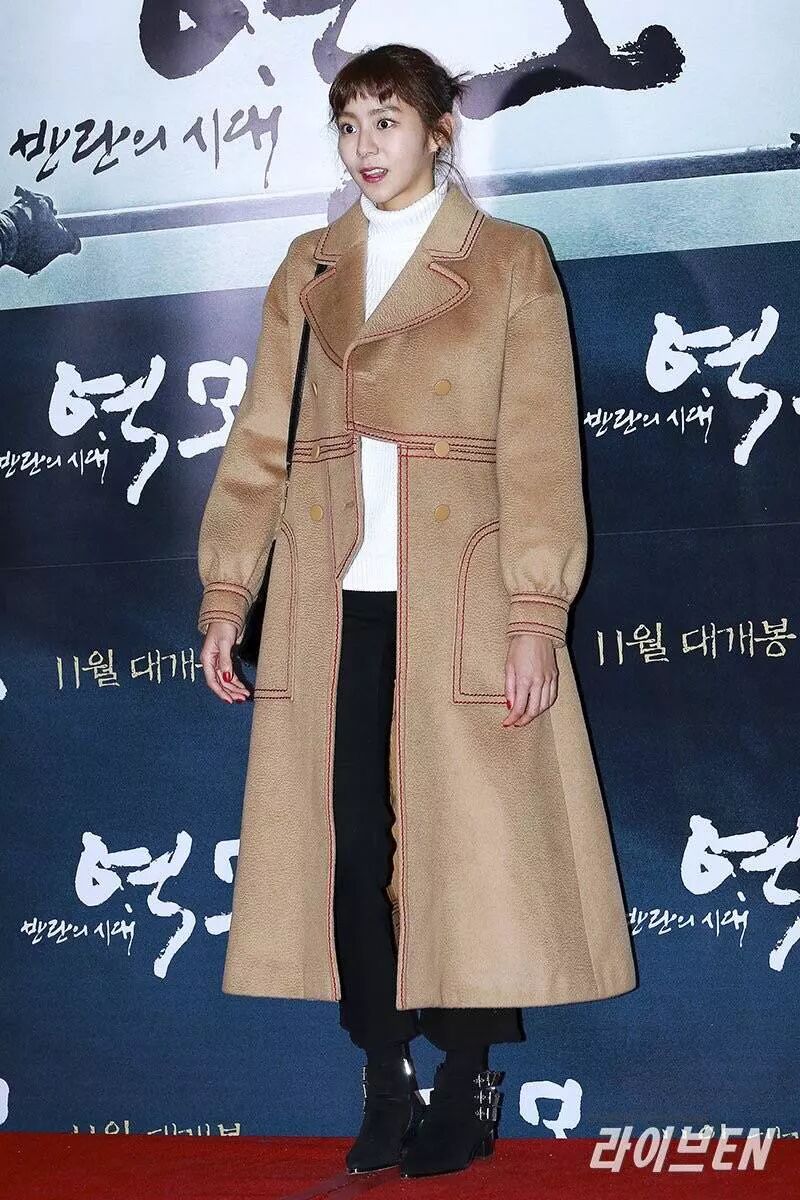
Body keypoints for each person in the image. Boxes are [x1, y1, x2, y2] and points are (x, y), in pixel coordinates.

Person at [197, 43, 636, 1181]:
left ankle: (467, 1076)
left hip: (461, 595)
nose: (363, 147)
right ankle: (383, 1074)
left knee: (469, 846)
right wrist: (228, 590)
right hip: (331, 598)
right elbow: (259, 443)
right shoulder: (309, 266)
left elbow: (540, 451)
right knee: (352, 850)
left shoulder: (507, 260)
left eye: (385, 121)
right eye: (348, 124)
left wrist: (534, 612)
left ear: (440, 130)